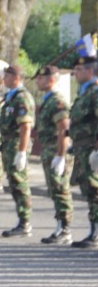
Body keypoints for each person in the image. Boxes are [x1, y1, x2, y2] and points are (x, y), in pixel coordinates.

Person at [33, 65, 73, 244]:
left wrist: (61, 155)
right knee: (54, 190)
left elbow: (64, 128)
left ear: (51, 80)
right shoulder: (48, 100)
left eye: (41, 78)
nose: (38, 81)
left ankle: (64, 229)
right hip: (49, 150)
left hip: (57, 150)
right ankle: (60, 226)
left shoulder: (57, 101)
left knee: (60, 189)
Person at [0, 66, 35, 237]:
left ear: (16, 78)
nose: (4, 78)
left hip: (16, 145)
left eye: (7, 75)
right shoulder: (10, 98)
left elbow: (25, 127)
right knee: (14, 183)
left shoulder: (21, 98)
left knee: (20, 184)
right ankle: (22, 220)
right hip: (9, 145)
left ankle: (25, 223)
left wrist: (22, 152)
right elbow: (6, 124)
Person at [68, 55, 98, 248]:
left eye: (79, 70)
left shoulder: (95, 93)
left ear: (89, 71)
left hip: (91, 149)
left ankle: (95, 233)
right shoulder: (85, 93)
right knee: (88, 189)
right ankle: (93, 230)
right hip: (82, 148)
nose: (75, 73)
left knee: (94, 190)